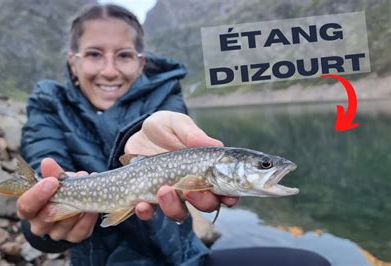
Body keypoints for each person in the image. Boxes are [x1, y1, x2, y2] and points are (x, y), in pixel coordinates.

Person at [17, 3, 331, 266]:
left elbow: (153, 128)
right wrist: (43, 222)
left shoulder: (166, 100)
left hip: (183, 259)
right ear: (73, 62)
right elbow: (42, 182)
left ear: (141, 63)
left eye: (124, 55)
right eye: (94, 54)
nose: (109, 70)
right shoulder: (48, 106)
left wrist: (134, 137)